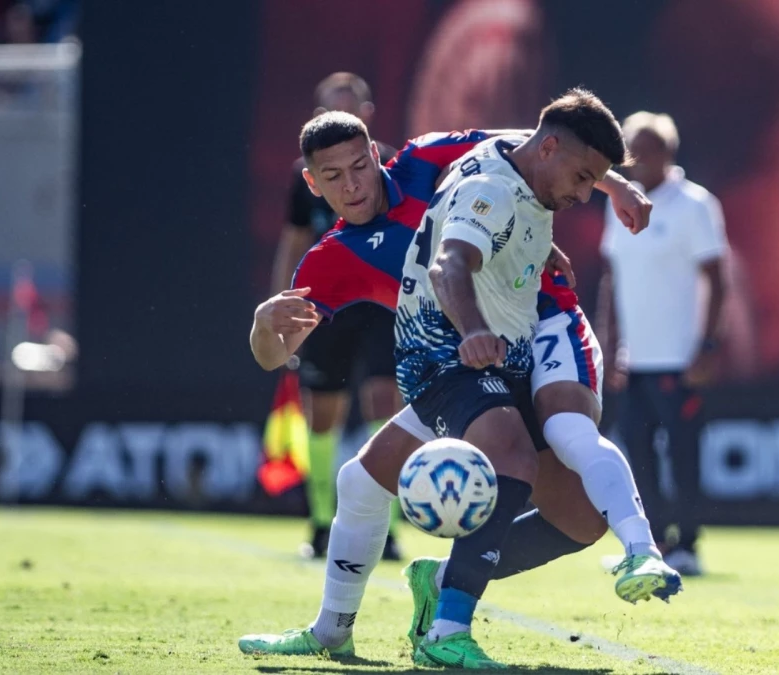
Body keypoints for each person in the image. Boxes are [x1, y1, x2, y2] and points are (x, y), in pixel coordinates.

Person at [242, 91, 678, 670]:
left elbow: (536, 145)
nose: (352, 185)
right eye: (333, 177)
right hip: (460, 358)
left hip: (532, 331)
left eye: (358, 167)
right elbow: (275, 357)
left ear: (377, 153)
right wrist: (262, 327)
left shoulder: (428, 157)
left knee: (577, 512)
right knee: (373, 479)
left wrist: (614, 184)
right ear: (313, 186)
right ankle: (345, 632)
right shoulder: (333, 259)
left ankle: (446, 591)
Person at [270, 73, 404, 560]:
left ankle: (386, 531)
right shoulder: (303, 177)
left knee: (383, 407)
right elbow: (294, 241)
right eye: (328, 110)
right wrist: (280, 310)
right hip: (327, 310)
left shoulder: (394, 164)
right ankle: (322, 525)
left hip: (382, 309)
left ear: (366, 116)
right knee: (322, 417)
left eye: (348, 108)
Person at [597, 111, 728, 576]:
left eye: (646, 147)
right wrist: (610, 348)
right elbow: (611, 281)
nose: (636, 158)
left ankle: (688, 543)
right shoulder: (621, 204)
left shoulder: (696, 205)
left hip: (679, 358)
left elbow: (717, 278)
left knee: (684, 451)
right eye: (630, 148)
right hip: (635, 361)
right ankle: (649, 544)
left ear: (668, 152)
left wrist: (707, 346)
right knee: (637, 452)